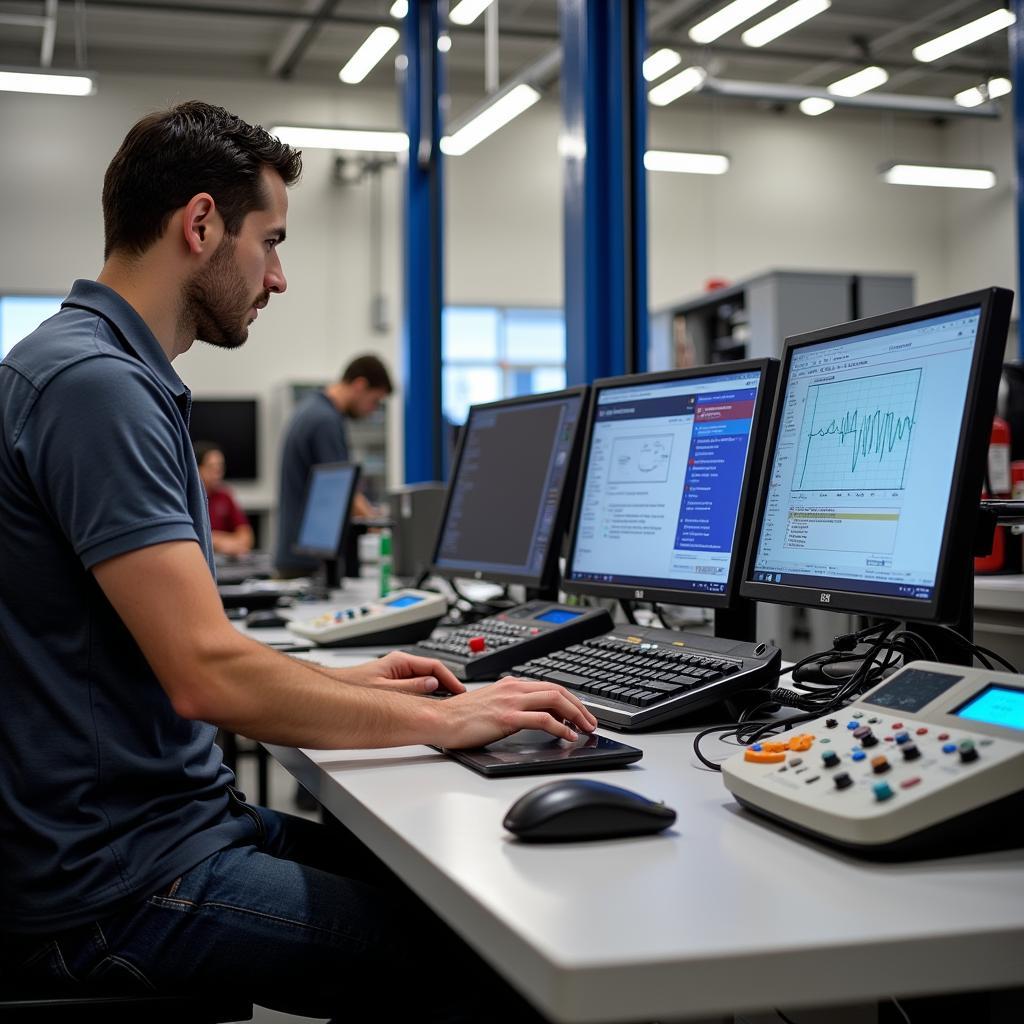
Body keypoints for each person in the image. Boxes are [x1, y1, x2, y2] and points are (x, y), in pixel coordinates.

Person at [0, 100, 595, 1020]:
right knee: (497, 963)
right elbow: (204, 676)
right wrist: (446, 720)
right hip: (116, 887)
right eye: (269, 242)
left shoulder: (99, 370)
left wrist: (366, 686)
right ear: (201, 225)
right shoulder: (95, 388)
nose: (278, 277)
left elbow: (164, 657)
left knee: (460, 898)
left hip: (162, 830)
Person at [274, 354, 392, 577]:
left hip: (294, 554)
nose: (373, 410)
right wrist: (382, 527)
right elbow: (344, 491)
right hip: (308, 561)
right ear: (360, 385)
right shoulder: (326, 420)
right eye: (375, 400)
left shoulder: (310, 407)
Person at [194, 440, 255, 556]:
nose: (218, 472)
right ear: (197, 468)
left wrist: (218, 540)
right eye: (211, 467)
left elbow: (247, 537)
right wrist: (217, 540)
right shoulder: (187, 498)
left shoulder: (225, 496)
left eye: (220, 466)